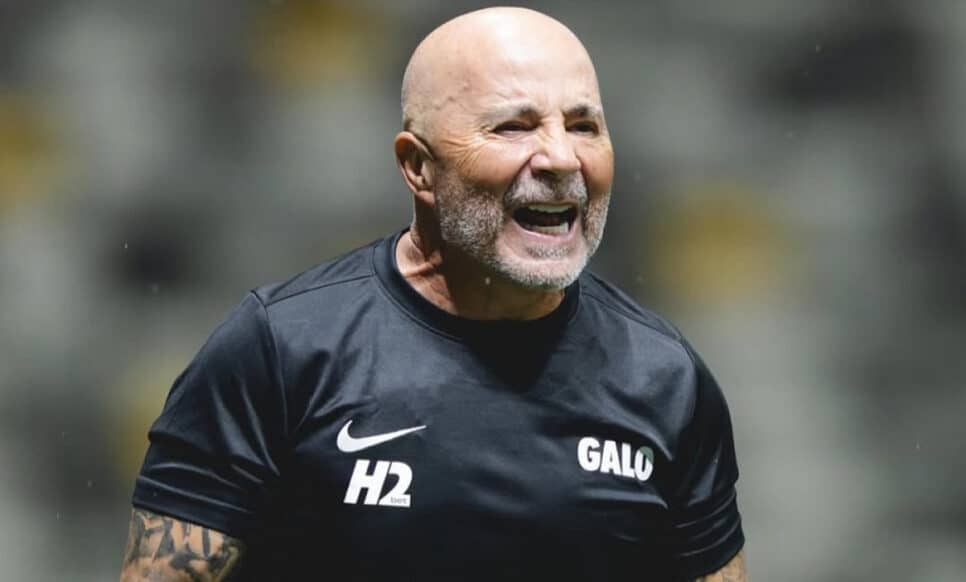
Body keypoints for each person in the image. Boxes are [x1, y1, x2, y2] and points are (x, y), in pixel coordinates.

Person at [120, 7, 746, 582]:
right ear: (418, 167)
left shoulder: (667, 381)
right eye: (513, 126)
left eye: (583, 125)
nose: (561, 157)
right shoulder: (279, 353)